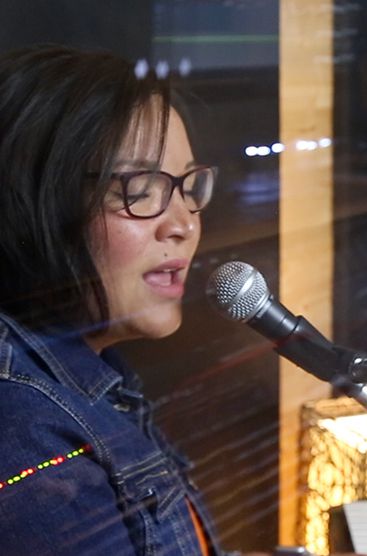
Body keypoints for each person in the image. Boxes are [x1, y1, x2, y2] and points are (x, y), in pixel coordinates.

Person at [0, 45, 223, 555]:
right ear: (35, 205)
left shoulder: (86, 372)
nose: (184, 224)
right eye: (140, 190)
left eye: (189, 187)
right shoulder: (26, 433)